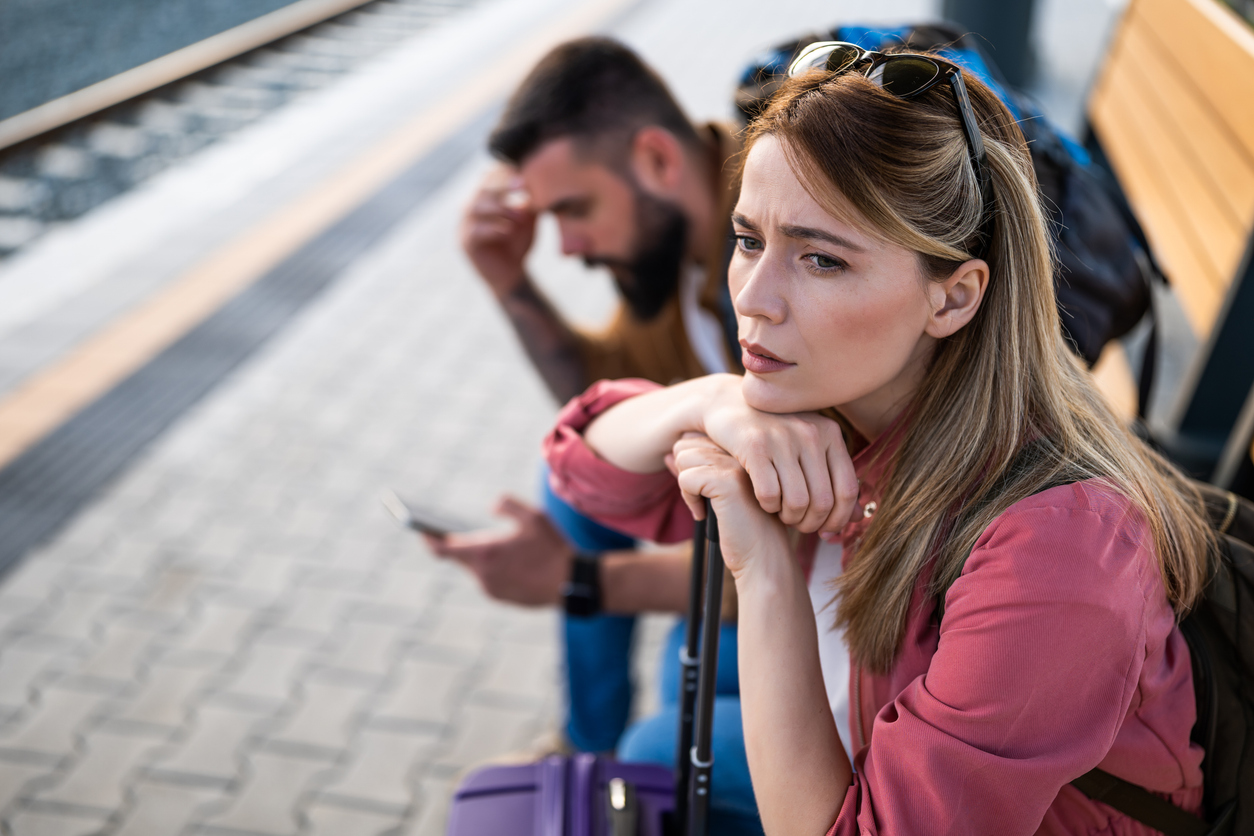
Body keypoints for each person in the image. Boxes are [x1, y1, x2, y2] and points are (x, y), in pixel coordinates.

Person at [542, 42, 1213, 834]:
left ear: (953, 298)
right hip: (875, 695)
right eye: (749, 239)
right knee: (678, 684)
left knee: (659, 742)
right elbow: (582, 470)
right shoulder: (842, 396)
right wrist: (714, 402)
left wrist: (764, 576)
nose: (753, 300)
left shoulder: (1057, 552)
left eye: (821, 259)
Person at [428, 37, 755, 759]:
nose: (567, 247)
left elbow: (796, 561)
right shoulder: (672, 250)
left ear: (657, 160)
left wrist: (575, 580)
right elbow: (601, 404)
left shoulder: (773, 261)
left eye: (574, 209)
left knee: (673, 715)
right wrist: (510, 285)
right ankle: (587, 748)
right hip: (768, 539)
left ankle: (625, 765)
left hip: (866, 601)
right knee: (571, 480)